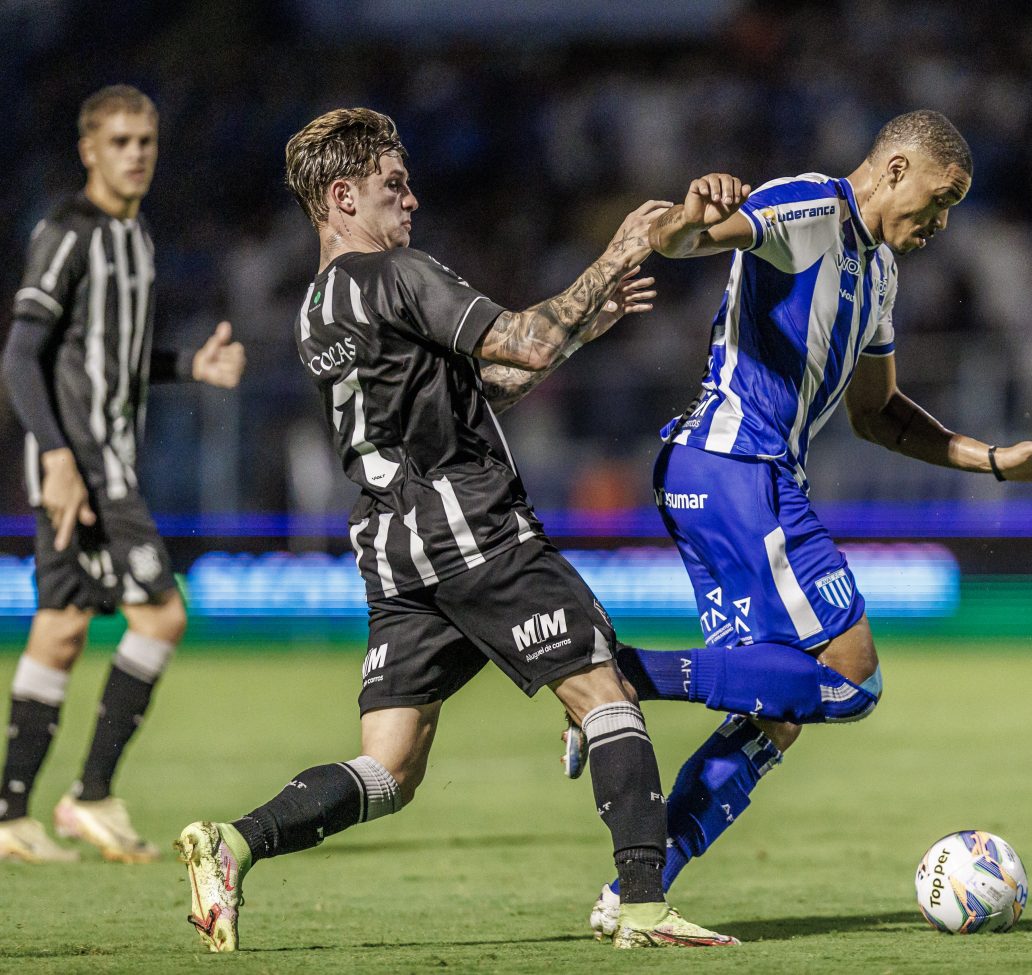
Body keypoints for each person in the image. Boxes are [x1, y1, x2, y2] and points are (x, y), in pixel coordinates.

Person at [175, 107, 737, 953]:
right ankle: (645, 907)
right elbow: (523, 345)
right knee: (603, 693)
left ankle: (234, 843)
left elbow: (478, 396)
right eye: (393, 186)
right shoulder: (395, 274)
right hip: (471, 531)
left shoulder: (316, 312)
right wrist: (620, 250)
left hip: (394, 553)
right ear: (342, 196)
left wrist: (584, 323)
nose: (412, 199)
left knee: (388, 768)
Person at [567, 109, 1032, 935]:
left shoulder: (879, 272)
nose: (943, 222)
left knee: (777, 711)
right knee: (851, 678)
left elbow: (878, 412)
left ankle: (637, 890)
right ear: (893, 169)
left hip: (724, 477)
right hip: (738, 466)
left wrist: (999, 461)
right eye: (940, 197)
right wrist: (697, 208)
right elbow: (683, 241)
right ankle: (614, 677)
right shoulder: (811, 210)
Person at [0, 85, 245, 864]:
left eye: (146, 140)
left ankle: (10, 815)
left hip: (102, 459)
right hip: (87, 465)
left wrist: (188, 364)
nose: (137, 152)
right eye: (121, 140)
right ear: (89, 150)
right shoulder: (69, 232)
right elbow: (21, 353)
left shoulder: (135, 237)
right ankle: (91, 794)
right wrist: (58, 455)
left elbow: (112, 354)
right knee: (161, 616)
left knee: (63, 627)